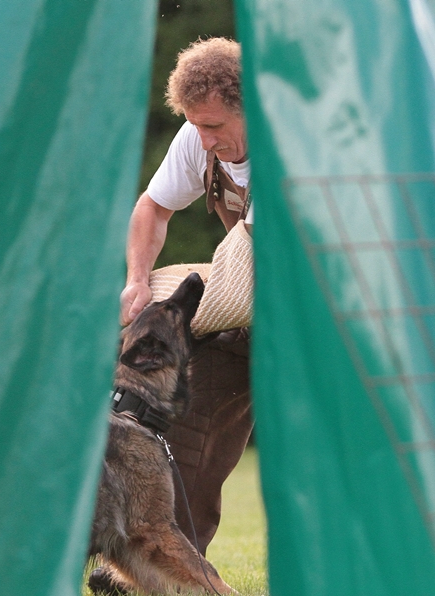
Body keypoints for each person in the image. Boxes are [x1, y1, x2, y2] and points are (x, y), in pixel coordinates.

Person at [121, 37, 252, 556]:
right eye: (196, 124)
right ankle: (164, 565)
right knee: (190, 427)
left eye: (215, 126)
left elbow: (244, 272)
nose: (204, 139)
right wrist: (137, 281)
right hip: (248, 315)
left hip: (325, 314)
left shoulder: (292, 146)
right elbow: (152, 210)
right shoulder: (195, 138)